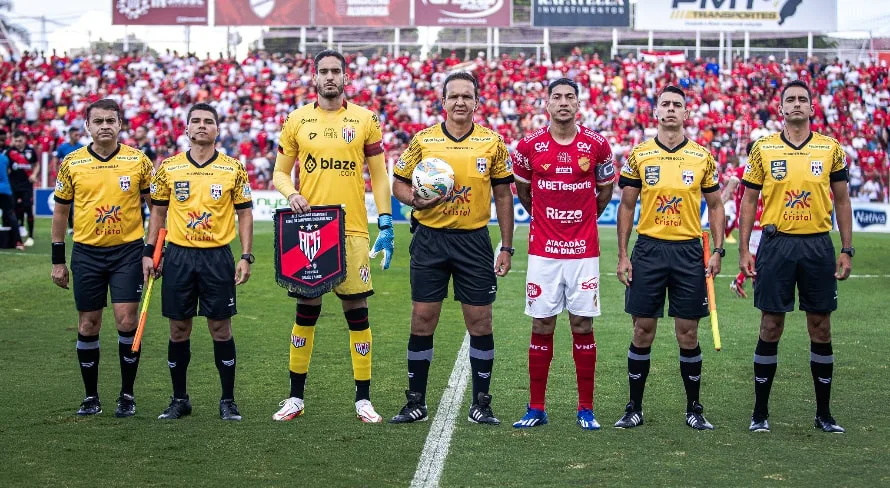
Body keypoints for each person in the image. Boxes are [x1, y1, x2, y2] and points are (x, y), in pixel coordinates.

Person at [270, 50, 393, 424]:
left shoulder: (364, 119)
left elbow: (380, 174)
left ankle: (363, 399)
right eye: (323, 71)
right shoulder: (296, 120)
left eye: (335, 71)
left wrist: (385, 221)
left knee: (357, 313)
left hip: (352, 230)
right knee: (305, 313)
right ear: (314, 76)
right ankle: (294, 398)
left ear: (345, 77)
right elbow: (279, 172)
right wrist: (291, 194)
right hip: (308, 230)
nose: (329, 77)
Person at [389, 71, 515, 425]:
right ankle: (415, 401)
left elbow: (504, 196)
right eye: (454, 96)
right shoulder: (424, 141)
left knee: (480, 321)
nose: (460, 102)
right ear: (442, 102)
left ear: (476, 102)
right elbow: (398, 183)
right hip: (430, 240)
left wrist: (506, 246)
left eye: (467, 96)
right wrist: (415, 201)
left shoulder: (492, 143)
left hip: (474, 241)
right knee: (423, 318)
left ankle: (481, 402)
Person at [739, 80, 853, 433]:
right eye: (791, 99)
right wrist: (745, 248)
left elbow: (843, 200)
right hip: (776, 244)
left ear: (812, 107)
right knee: (770, 325)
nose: (798, 104)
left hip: (818, 245)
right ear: (782, 108)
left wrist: (847, 249)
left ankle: (824, 414)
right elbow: (748, 200)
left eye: (804, 99)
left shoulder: (830, 148)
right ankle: (760, 413)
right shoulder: (763, 148)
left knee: (820, 326)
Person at [615, 85, 725, 431]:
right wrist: (622, 254)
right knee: (642, 329)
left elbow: (717, 204)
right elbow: (628, 205)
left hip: (689, 251)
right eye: (666, 104)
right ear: (656, 111)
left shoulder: (702, 157)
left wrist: (718, 250)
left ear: (686, 113)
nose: (672, 110)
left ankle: (694, 408)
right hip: (648, 250)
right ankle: (634, 407)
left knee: (687, 333)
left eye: (678, 105)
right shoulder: (640, 155)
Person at [511, 78, 616, 430]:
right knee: (541, 323)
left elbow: (603, 194)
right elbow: (525, 194)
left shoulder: (597, 146)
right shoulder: (528, 146)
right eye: (556, 97)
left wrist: (580, 221)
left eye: (570, 97)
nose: (563, 102)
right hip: (544, 253)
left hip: (583, 251)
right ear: (547, 104)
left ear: (579, 103)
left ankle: (585, 408)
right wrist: (548, 220)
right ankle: (536, 407)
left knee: (582, 324)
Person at [145, 103, 254, 421]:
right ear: (187, 129)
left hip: (217, 256)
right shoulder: (169, 167)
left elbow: (244, 213)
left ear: (218, 129)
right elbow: (158, 212)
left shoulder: (234, 167)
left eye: (209, 121)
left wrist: (246, 256)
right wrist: (150, 252)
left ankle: (228, 400)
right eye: (196, 121)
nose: (202, 126)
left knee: (221, 328)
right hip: (178, 256)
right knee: (178, 329)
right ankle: (179, 400)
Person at [50, 99, 154, 417]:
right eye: (98, 121)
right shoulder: (72, 163)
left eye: (111, 120)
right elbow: (61, 213)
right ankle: (91, 397)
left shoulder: (139, 161)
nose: (105, 125)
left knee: (126, 321)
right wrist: (58, 260)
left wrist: (151, 251)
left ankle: (127, 395)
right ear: (88, 126)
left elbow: (157, 210)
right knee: (88, 323)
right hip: (86, 254)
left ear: (120, 125)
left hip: (127, 252)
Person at [7, 130, 39, 245]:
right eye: (16, 141)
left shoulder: (30, 151)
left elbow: (36, 164)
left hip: (27, 186)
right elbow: (6, 166)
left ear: (25, 139)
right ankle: (19, 228)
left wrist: (34, 174)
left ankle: (30, 236)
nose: (18, 143)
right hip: (13, 186)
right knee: (15, 208)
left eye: (20, 141)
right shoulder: (10, 152)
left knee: (28, 208)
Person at [55, 127, 85, 234]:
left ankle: (79, 226)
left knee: (79, 205)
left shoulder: (81, 148)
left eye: (79, 135)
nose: (78, 137)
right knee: (67, 204)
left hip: (78, 180)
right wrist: (57, 174)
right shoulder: (63, 147)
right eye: (76, 135)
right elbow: (55, 160)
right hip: (67, 180)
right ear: (71, 134)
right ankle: (71, 227)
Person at [0, 145, 26, 250]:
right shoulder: (5, 158)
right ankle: (18, 242)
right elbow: (9, 171)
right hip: (6, 190)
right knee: (11, 216)